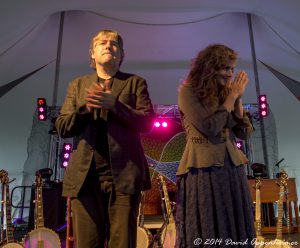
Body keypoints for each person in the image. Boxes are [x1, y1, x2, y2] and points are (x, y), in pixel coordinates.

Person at [55, 29, 155, 248]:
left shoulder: (135, 83)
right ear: (92, 53)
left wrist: (115, 106)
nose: (108, 46)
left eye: (114, 44)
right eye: (101, 43)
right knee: (87, 243)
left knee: (122, 243)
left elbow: (147, 123)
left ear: (121, 55)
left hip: (124, 177)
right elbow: (62, 127)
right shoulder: (78, 85)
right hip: (85, 178)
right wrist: (85, 109)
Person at [175, 44, 256, 247]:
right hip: (203, 169)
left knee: (235, 226)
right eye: (226, 68)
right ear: (210, 68)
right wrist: (231, 97)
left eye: (232, 69)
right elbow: (209, 127)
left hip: (231, 168)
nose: (230, 74)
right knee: (209, 223)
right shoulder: (188, 92)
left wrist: (237, 100)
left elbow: (244, 133)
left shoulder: (226, 94)